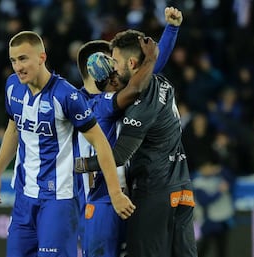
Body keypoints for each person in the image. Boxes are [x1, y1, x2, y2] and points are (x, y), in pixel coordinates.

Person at [0, 30, 135, 257]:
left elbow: (101, 142)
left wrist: (115, 193)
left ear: (41, 58)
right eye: (13, 60)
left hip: (59, 201)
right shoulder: (12, 87)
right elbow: (13, 130)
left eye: (23, 58)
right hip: (23, 197)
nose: (18, 67)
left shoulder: (67, 96)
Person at [75, 7, 183, 257]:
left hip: (126, 198)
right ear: (97, 73)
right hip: (102, 200)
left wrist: (172, 29)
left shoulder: (115, 96)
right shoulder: (98, 105)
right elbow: (138, 82)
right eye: (112, 63)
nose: (118, 68)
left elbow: (146, 73)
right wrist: (80, 165)